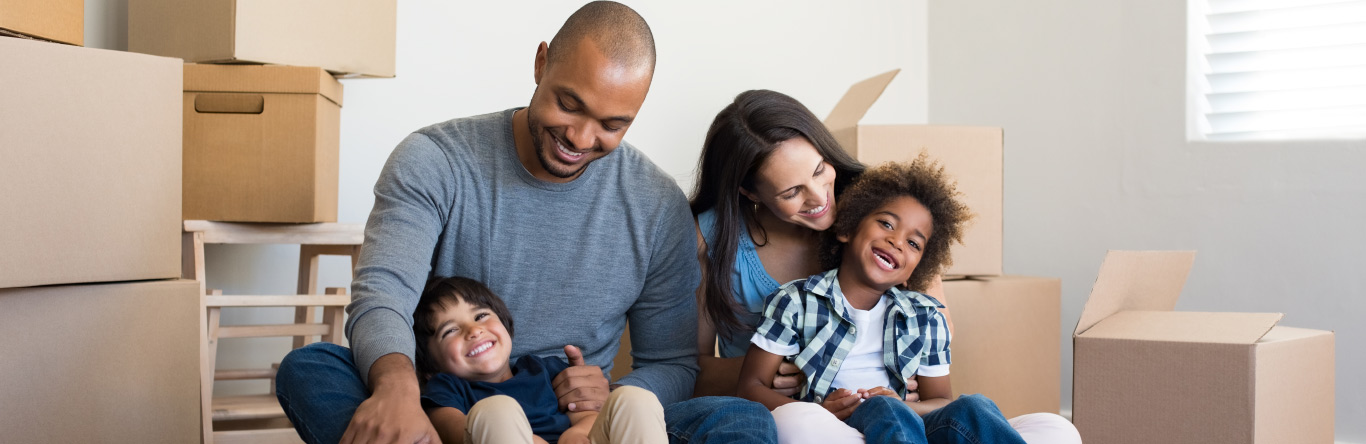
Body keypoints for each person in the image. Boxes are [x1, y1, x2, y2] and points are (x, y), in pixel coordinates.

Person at [275, 3, 777, 444]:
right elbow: (382, 293)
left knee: (739, 419)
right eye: (569, 104)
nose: (580, 138)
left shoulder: (657, 204)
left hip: (578, 425)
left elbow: (671, 363)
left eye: (611, 125)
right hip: (452, 411)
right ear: (541, 64)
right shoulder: (434, 160)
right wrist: (398, 391)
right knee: (312, 368)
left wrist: (614, 397)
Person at [689, 90, 1080, 443]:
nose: (820, 197)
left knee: (1056, 429)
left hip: (896, 410)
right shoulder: (716, 239)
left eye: (820, 169)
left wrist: (906, 384)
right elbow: (690, 368)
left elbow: (937, 333)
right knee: (803, 424)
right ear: (750, 191)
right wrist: (776, 370)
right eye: (792, 192)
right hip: (804, 417)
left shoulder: (879, 210)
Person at [738, 157, 1024, 443]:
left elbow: (940, 401)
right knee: (883, 406)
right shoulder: (796, 302)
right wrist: (819, 411)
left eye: (914, 243)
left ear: (915, 270)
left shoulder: (925, 317)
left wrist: (905, 406)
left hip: (904, 423)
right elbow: (750, 386)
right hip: (832, 425)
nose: (897, 242)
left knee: (975, 406)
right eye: (886, 224)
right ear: (847, 228)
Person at [414, 277, 667, 444]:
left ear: (505, 324)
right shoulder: (446, 389)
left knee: (635, 398)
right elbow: (452, 431)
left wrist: (577, 433)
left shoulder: (542, 369)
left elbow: (587, 414)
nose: (474, 330)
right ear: (430, 367)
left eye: (480, 316)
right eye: (450, 331)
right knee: (495, 410)